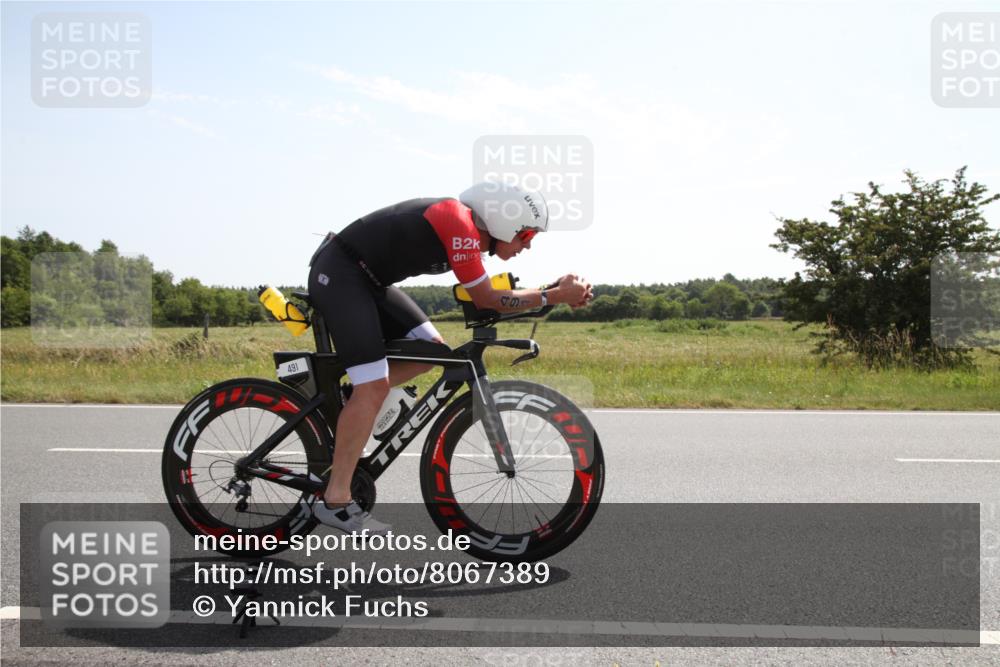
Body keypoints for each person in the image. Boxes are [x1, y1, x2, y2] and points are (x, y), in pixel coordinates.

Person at [306, 182, 593, 534]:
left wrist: (553, 292)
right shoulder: (458, 223)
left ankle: (352, 405)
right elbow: (487, 298)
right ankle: (334, 501)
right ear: (505, 221)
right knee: (374, 385)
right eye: (526, 233)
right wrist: (554, 295)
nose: (528, 244)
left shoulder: (470, 235)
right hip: (341, 273)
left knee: (431, 351)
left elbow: (490, 300)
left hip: (369, 281)